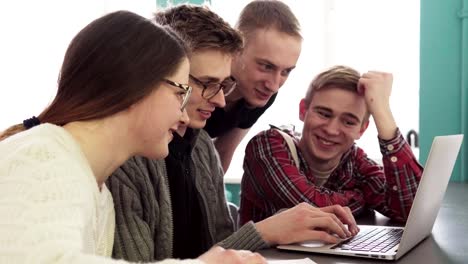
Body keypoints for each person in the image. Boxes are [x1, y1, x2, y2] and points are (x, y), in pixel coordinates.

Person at [0, 10, 266, 264]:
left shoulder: (96, 189)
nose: (184, 116)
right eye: (179, 92)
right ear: (135, 90)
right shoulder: (42, 157)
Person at [107, 5, 359, 264]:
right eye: (207, 84)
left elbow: (218, 233)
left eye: (286, 71)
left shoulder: (203, 144)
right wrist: (264, 231)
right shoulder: (127, 160)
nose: (220, 99)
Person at [240, 65, 424, 225]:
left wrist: (382, 111)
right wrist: (361, 198)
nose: (332, 130)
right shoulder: (267, 146)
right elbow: (310, 207)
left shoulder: (354, 159)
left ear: (362, 129)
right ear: (303, 110)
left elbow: (411, 211)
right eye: (324, 114)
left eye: (349, 122)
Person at [204, 0, 303, 172]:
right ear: (236, 49)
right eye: (266, 66)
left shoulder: (261, 93)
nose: (273, 86)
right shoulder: (200, 78)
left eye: (286, 71)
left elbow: (223, 152)